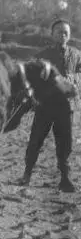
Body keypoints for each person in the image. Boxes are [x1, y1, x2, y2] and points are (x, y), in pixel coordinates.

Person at [21, 18, 81, 192]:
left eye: (65, 33)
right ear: (52, 34)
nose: (62, 35)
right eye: (59, 32)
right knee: (35, 141)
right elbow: (30, 76)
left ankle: (65, 178)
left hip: (66, 107)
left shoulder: (77, 55)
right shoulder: (42, 55)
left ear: (69, 35)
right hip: (45, 106)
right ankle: (26, 175)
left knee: (65, 144)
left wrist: (73, 80)